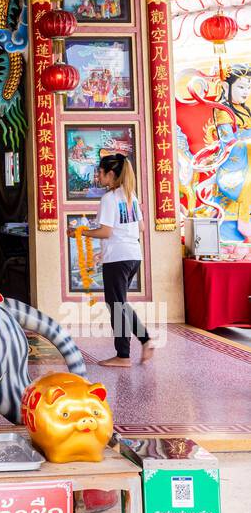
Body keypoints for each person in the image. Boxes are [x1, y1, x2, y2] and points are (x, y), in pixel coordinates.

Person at [72, 153, 153, 367]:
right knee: (120, 303)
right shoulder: (130, 196)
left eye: (100, 172)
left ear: (111, 174)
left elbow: (106, 232)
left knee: (116, 305)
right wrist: (103, 253)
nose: (97, 176)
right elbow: (140, 228)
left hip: (118, 259)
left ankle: (123, 356)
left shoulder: (109, 198)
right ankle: (145, 340)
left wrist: (81, 233)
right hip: (132, 256)